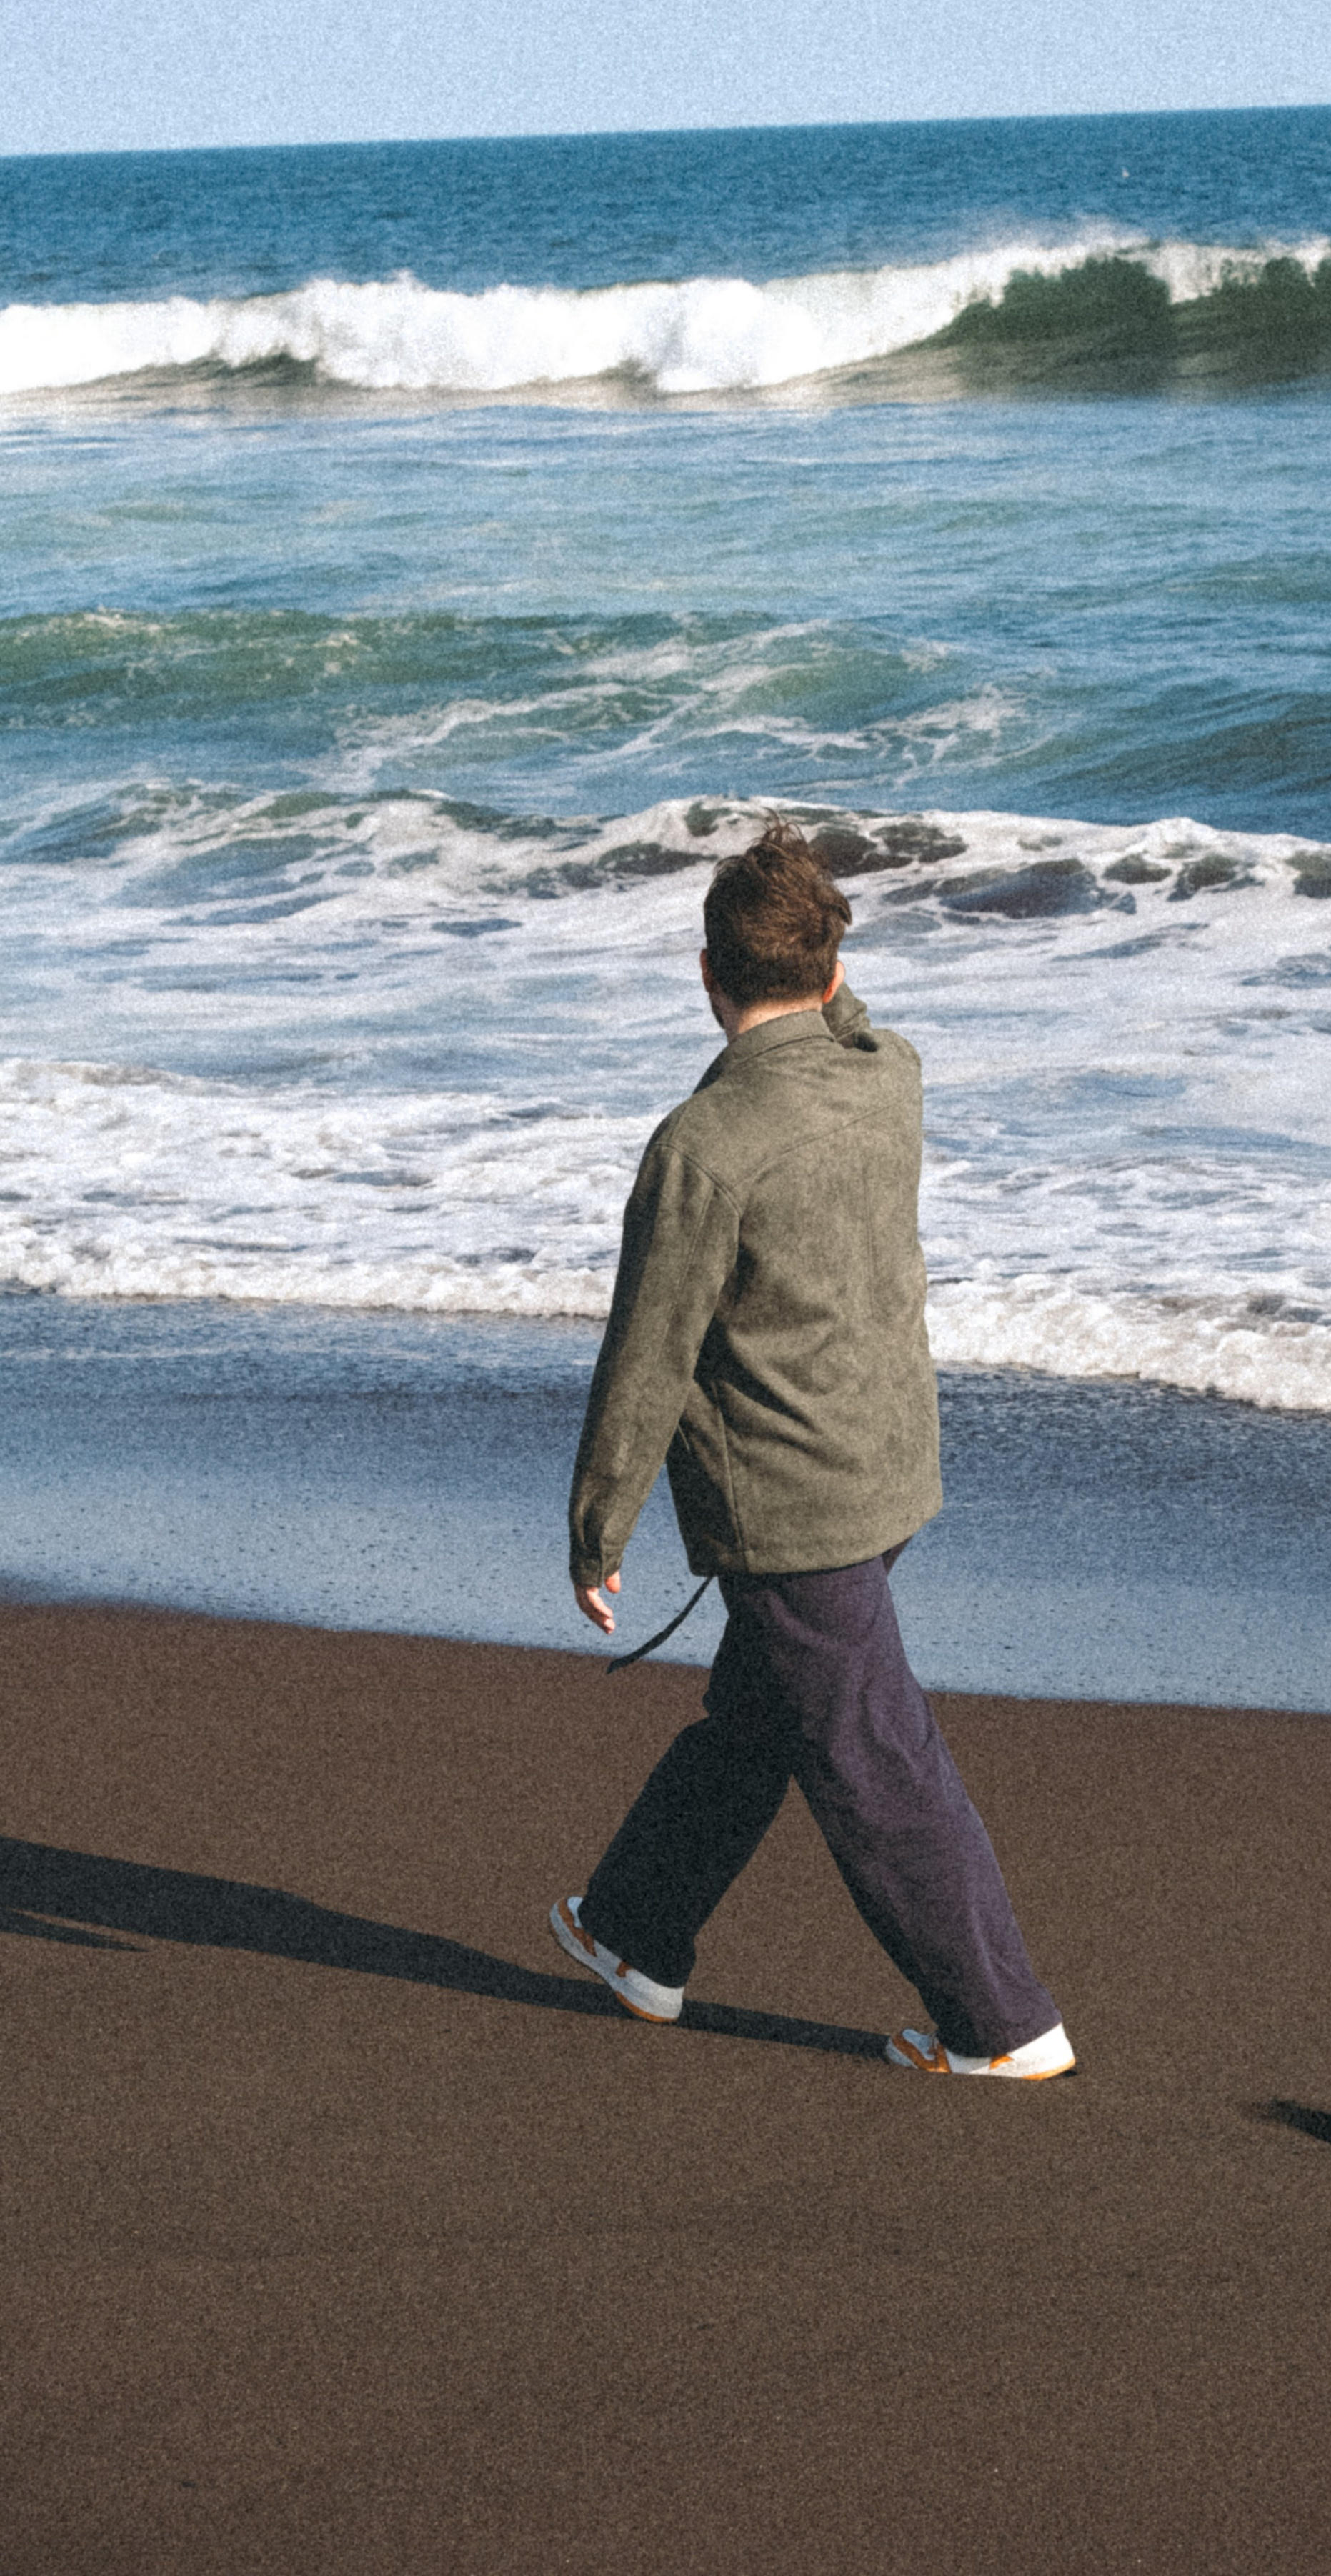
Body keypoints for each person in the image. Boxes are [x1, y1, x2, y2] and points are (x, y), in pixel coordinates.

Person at [551, 817, 1072, 2079]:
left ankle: (1004, 2027)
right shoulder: (889, 1071)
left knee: (870, 1756)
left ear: (704, 973)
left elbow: (648, 1357)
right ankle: (635, 1932)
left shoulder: (704, 1148)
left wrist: (597, 1528)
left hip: (794, 1505)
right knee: (761, 1714)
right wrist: (820, 953)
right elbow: (842, 1013)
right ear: (835, 971)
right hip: (890, 1467)